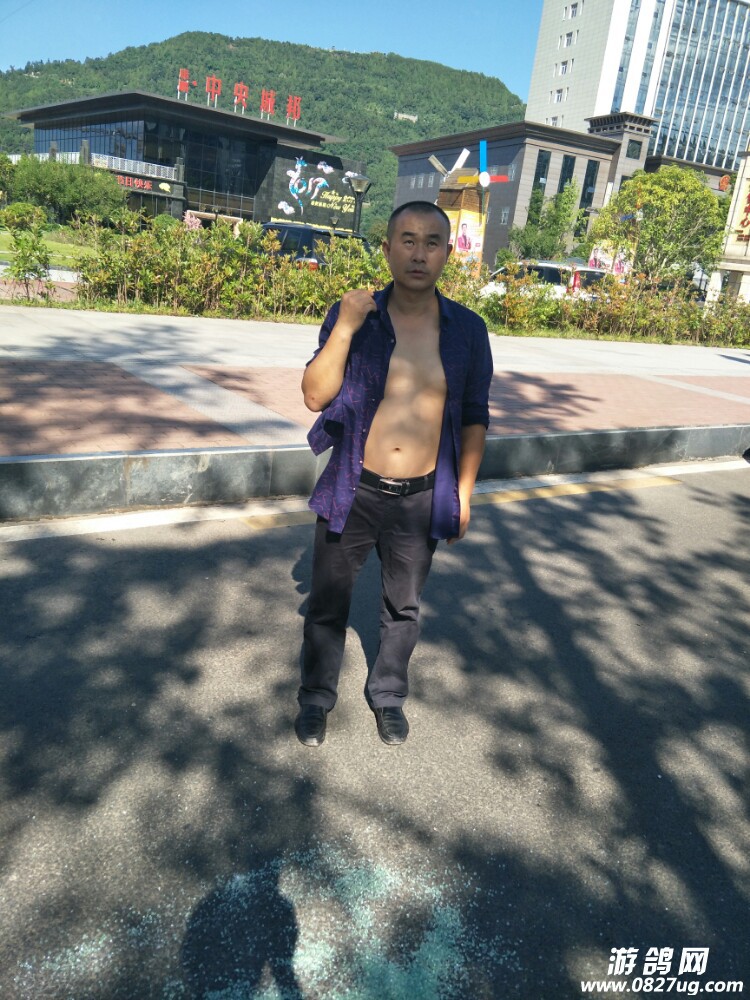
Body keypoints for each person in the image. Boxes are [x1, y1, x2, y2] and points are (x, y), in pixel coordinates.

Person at [295, 201, 493, 748]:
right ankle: (316, 698)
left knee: (402, 608)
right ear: (386, 249)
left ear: (447, 254)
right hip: (353, 488)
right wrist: (345, 326)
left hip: (421, 495)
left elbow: (475, 416)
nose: (418, 253)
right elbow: (314, 395)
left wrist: (464, 493)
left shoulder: (468, 330)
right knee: (327, 604)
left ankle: (388, 696)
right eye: (407, 240)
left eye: (431, 242)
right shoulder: (357, 317)